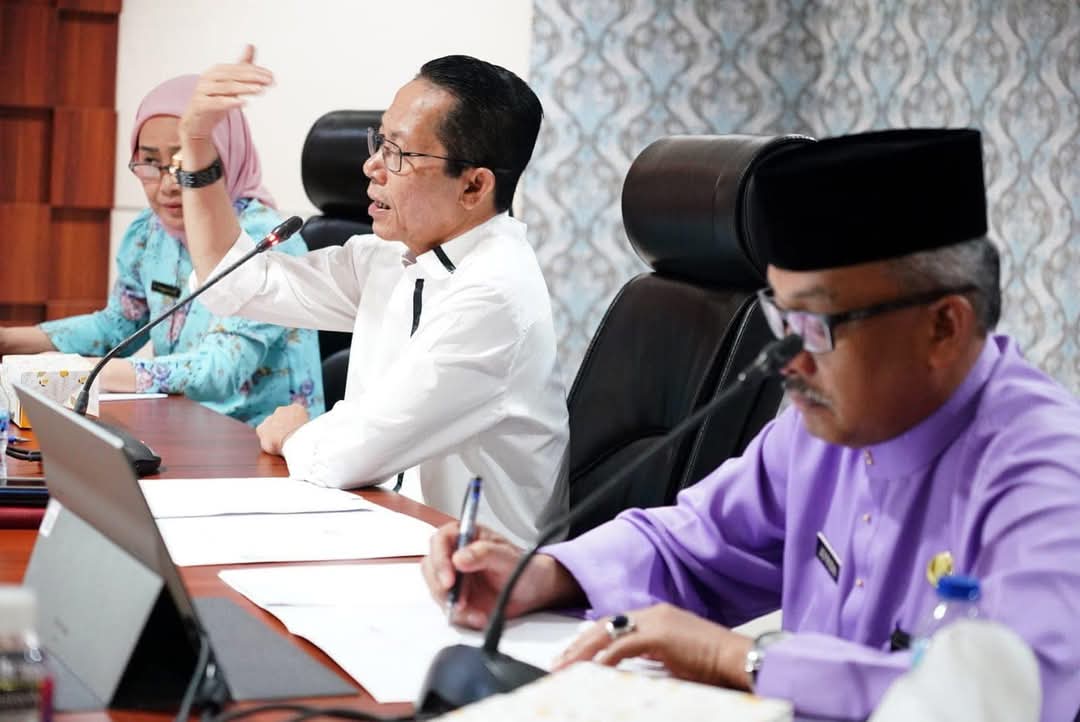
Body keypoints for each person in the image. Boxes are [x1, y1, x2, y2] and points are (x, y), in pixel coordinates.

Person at [421, 129, 1080, 721]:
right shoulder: (823, 428)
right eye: (781, 319)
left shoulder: (1046, 471)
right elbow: (693, 542)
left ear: (942, 327)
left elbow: (1024, 694)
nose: (788, 360)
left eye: (816, 325)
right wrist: (544, 575)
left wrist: (742, 659)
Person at [176, 47, 568, 547]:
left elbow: (348, 455)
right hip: (383, 528)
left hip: (476, 572)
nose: (371, 165)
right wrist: (196, 141)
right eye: (380, 141)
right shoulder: (391, 258)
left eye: (398, 154)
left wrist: (295, 432)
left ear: (473, 186)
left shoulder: (496, 296)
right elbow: (233, 282)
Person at [0, 75, 324, 426]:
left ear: (219, 158)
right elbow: (117, 327)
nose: (168, 184)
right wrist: (9, 341)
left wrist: (83, 373)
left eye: (184, 164)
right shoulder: (150, 232)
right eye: (151, 163)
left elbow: (220, 369)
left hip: (263, 440)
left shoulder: (268, 240)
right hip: (182, 426)